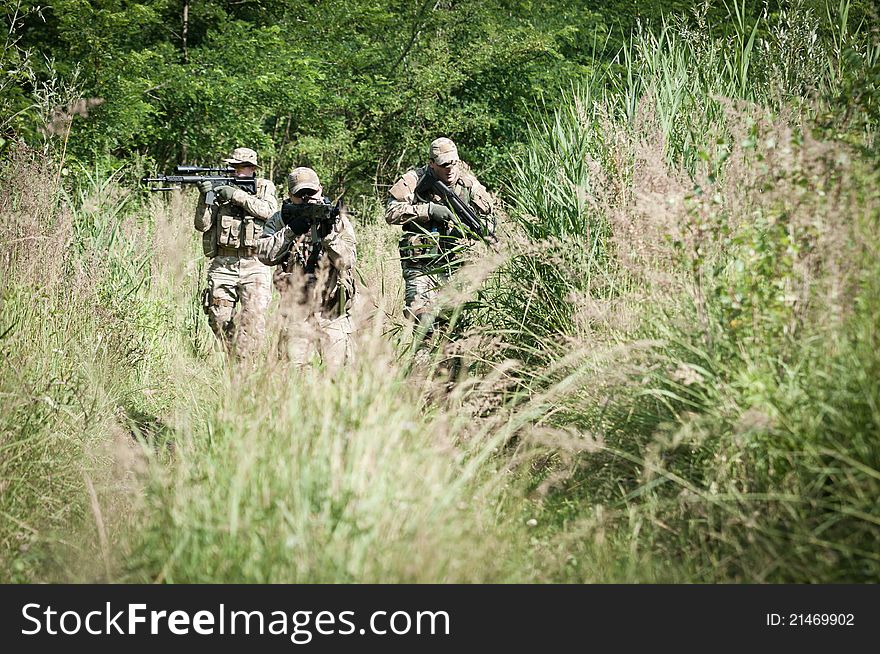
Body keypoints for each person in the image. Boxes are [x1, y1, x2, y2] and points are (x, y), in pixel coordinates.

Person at [384, 137, 495, 333]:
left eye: (454, 162)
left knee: (453, 332)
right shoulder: (414, 180)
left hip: (454, 267)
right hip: (421, 265)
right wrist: (428, 210)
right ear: (431, 163)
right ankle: (420, 363)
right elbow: (391, 213)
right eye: (444, 164)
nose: (450, 169)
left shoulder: (468, 184)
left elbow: (489, 216)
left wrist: (476, 230)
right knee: (423, 325)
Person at [258, 167, 357, 370]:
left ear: (320, 190)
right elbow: (264, 254)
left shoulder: (337, 221)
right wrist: (292, 230)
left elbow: (348, 260)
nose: (306, 199)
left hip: (333, 311)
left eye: (311, 193)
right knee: (295, 373)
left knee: (339, 375)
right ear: (289, 196)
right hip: (296, 311)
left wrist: (329, 237)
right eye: (299, 195)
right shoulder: (281, 220)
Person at [194, 147, 278, 359]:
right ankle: (234, 356)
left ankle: (245, 366)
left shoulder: (263, 187)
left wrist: (237, 196)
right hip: (224, 262)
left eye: (242, 167)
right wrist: (205, 198)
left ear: (252, 169)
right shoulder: (220, 188)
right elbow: (202, 225)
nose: (237, 172)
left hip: (256, 264)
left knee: (253, 320)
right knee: (218, 317)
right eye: (234, 167)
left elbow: (269, 212)